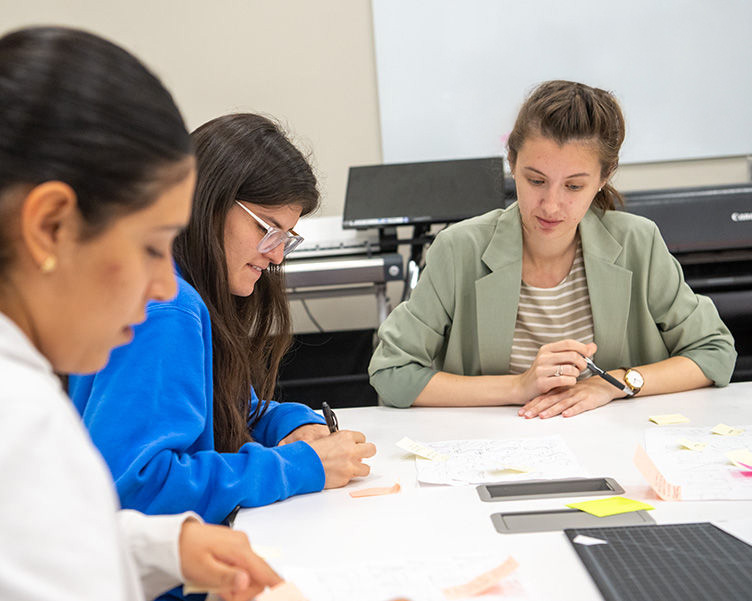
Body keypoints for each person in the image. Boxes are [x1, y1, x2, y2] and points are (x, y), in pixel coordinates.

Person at [0, 26, 281, 601]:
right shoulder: (21, 424)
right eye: (153, 246)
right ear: (49, 227)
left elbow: (39, 537)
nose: (163, 286)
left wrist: (158, 548)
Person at [68, 113, 376, 532]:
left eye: (287, 238)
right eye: (268, 229)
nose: (277, 256)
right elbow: (140, 489)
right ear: (210, 202)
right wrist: (300, 466)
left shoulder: (183, 290)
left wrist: (291, 426)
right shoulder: (167, 308)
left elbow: (230, 408)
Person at [369, 80, 736, 417]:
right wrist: (517, 386)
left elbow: (715, 354)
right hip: (492, 446)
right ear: (512, 164)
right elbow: (391, 372)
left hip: (617, 444)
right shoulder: (458, 249)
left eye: (574, 186)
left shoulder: (638, 242)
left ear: (603, 178)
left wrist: (616, 384)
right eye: (536, 180)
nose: (550, 205)